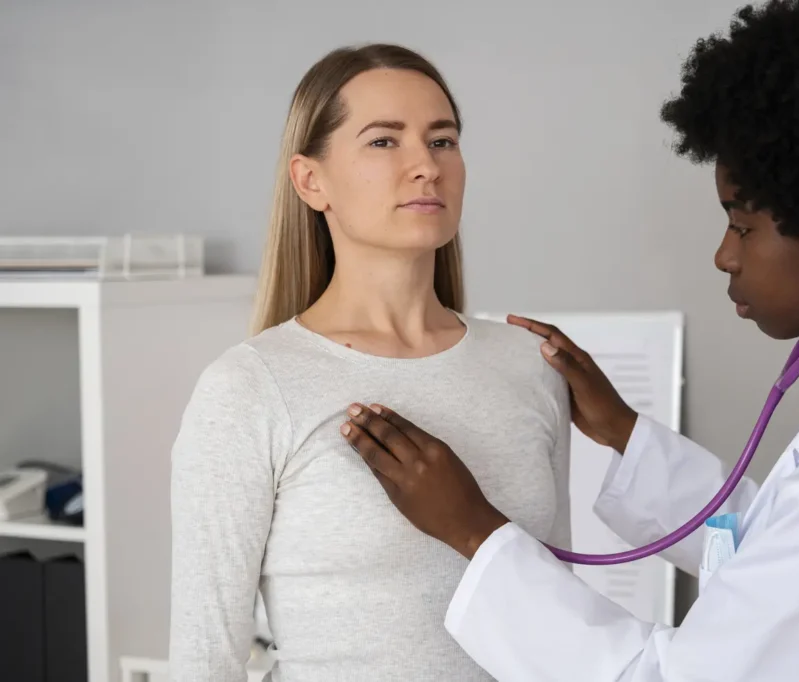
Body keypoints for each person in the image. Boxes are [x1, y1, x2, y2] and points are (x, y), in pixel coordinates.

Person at [340, 1, 799, 680]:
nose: (724, 256)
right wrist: (623, 432)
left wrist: (471, 529)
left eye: (744, 226)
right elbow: (778, 551)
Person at [167, 44, 572, 682]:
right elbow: (204, 661)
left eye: (443, 140)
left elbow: (558, 619)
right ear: (311, 180)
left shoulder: (531, 367)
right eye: (384, 142)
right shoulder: (250, 388)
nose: (426, 167)